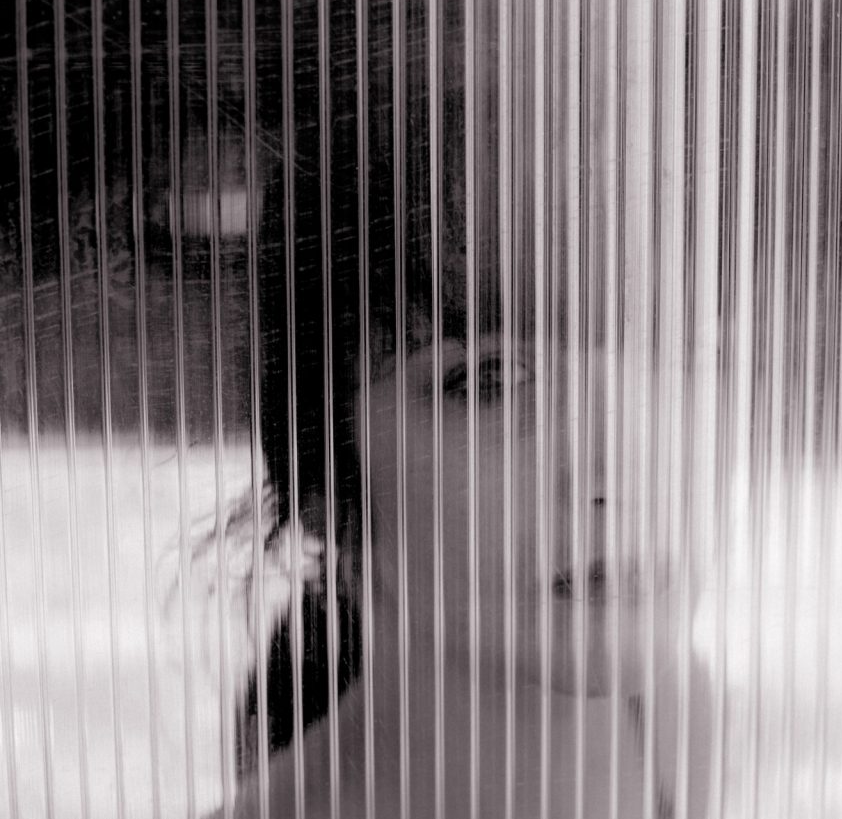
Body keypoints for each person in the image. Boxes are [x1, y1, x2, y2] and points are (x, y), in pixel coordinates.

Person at [233, 312, 711, 818]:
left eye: (677, 359)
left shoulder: (677, 716)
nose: (620, 473)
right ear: (325, 494)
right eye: (494, 379)